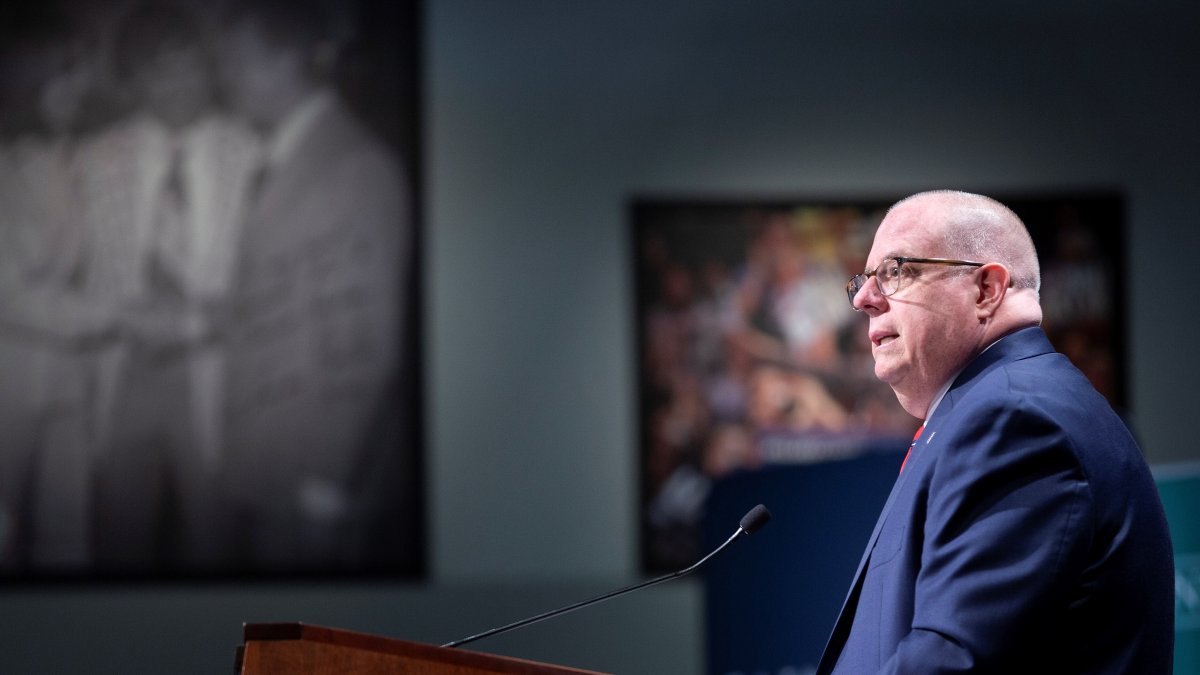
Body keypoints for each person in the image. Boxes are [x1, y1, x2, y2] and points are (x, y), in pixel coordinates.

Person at [817, 190, 1174, 673]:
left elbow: (953, 658)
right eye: (863, 280)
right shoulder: (990, 409)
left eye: (896, 271)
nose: (863, 299)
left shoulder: (1017, 419)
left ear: (986, 290)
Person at [215, 0, 413, 570]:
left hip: (309, 476)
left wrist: (328, 480)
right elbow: (281, 291)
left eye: (239, 61)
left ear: (286, 61)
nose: (228, 78)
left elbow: (365, 343)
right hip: (268, 462)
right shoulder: (290, 155)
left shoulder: (355, 167)